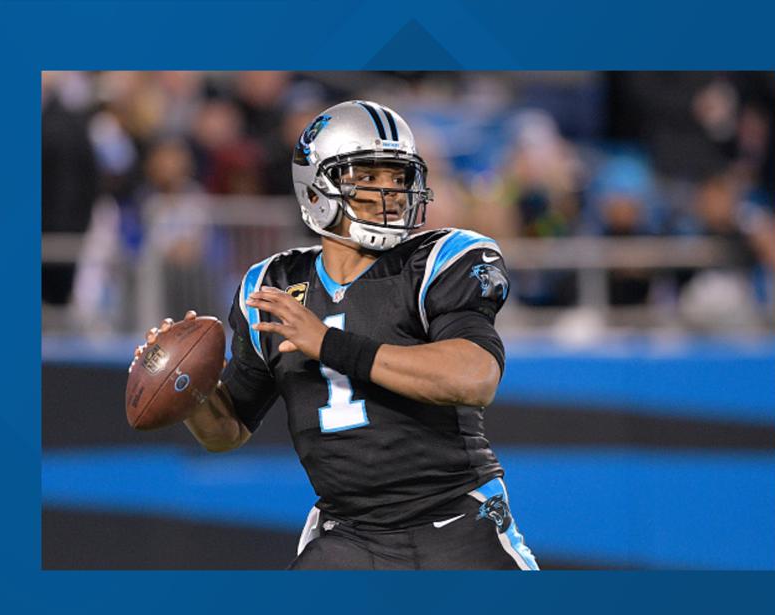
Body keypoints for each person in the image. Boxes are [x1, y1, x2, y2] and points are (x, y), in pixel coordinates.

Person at [132, 100, 538, 570]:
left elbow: (475, 377)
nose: (389, 190)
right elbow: (227, 431)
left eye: (398, 176)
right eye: (367, 176)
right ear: (317, 186)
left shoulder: (438, 260)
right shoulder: (273, 284)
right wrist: (187, 387)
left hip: (457, 519)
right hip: (349, 535)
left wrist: (327, 342)